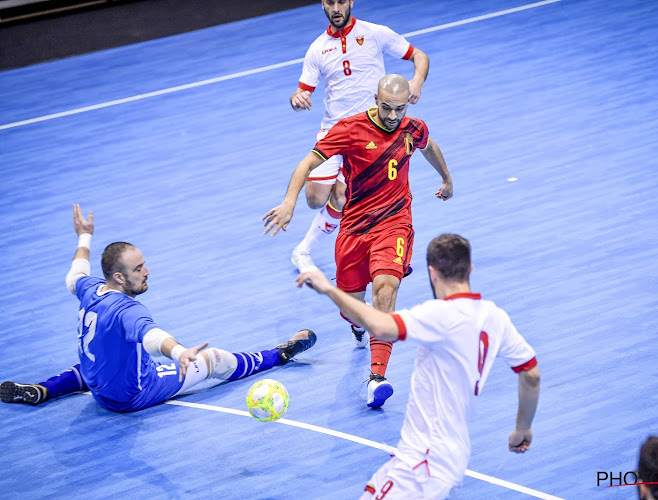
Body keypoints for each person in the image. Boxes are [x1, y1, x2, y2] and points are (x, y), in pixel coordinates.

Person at [0, 205, 316, 411]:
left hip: (101, 382)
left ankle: (45, 389)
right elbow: (152, 337)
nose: (147, 271)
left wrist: (84, 236)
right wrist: (180, 353)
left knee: (97, 363)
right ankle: (279, 354)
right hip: (131, 393)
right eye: (139, 269)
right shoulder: (127, 311)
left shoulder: (91, 289)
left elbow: (75, 275)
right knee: (215, 359)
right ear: (120, 277)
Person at [296, 233, 541, 499]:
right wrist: (523, 428)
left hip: (424, 459)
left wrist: (329, 289)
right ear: (470, 269)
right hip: (450, 453)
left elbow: (380, 326)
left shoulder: (439, 314)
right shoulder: (495, 317)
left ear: (432, 272)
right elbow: (531, 375)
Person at [265, 74, 452, 409]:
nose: (393, 116)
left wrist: (446, 178)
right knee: (351, 308)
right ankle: (359, 324)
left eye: (400, 108)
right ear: (375, 100)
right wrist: (290, 202)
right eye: (387, 108)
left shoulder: (413, 128)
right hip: (353, 229)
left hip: (394, 223)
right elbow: (308, 162)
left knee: (385, 289)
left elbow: (429, 145)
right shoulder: (350, 130)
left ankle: (377, 377)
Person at [289, 0, 429, 274]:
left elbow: (419, 56)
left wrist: (416, 81)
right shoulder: (317, 49)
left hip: (369, 134)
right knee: (315, 199)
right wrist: (298, 98)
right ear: (323, 6)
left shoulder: (375, 33)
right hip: (334, 131)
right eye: (331, 2)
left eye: (341, 1)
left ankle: (303, 250)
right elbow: (301, 91)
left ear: (351, 2)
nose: (337, 7)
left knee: (342, 196)